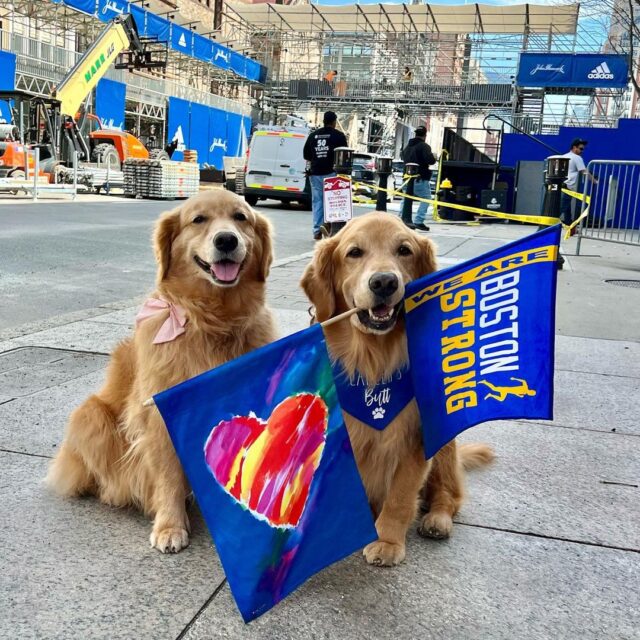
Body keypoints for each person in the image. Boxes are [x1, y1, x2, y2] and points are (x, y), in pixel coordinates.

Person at [303, 111, 348, 240]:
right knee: (333, 202)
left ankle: (317, 231)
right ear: (334, 122)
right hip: (332, 173)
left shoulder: (313, 135)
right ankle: (330, 227)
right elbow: (344, 154)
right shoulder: (338, 136)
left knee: (318, 202)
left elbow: (306, 155)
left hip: (315, 173)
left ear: (324, 121)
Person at [400, 126, 436, 231]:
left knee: (406, 198)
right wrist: (434, 157)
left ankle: (402, 219)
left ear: (416, 134)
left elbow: (403, 157)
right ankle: (419, 221)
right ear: (425, 135)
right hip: (419, 178)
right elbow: (430, 160)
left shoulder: (408, 146)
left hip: (406, 177)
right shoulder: (424, 146)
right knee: (426, 198)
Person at [560, 137, 598, 227]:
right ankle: (548, 225)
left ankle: (569, 223)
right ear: (574, 147)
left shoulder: (564, 156)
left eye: (583, 149)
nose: (582, 151)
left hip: (561, 184)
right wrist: (594, 181)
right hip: (569, 185)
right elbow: (584, 171)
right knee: (562, 207)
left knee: (566, 207)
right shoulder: (577, 158)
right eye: (580, 149)